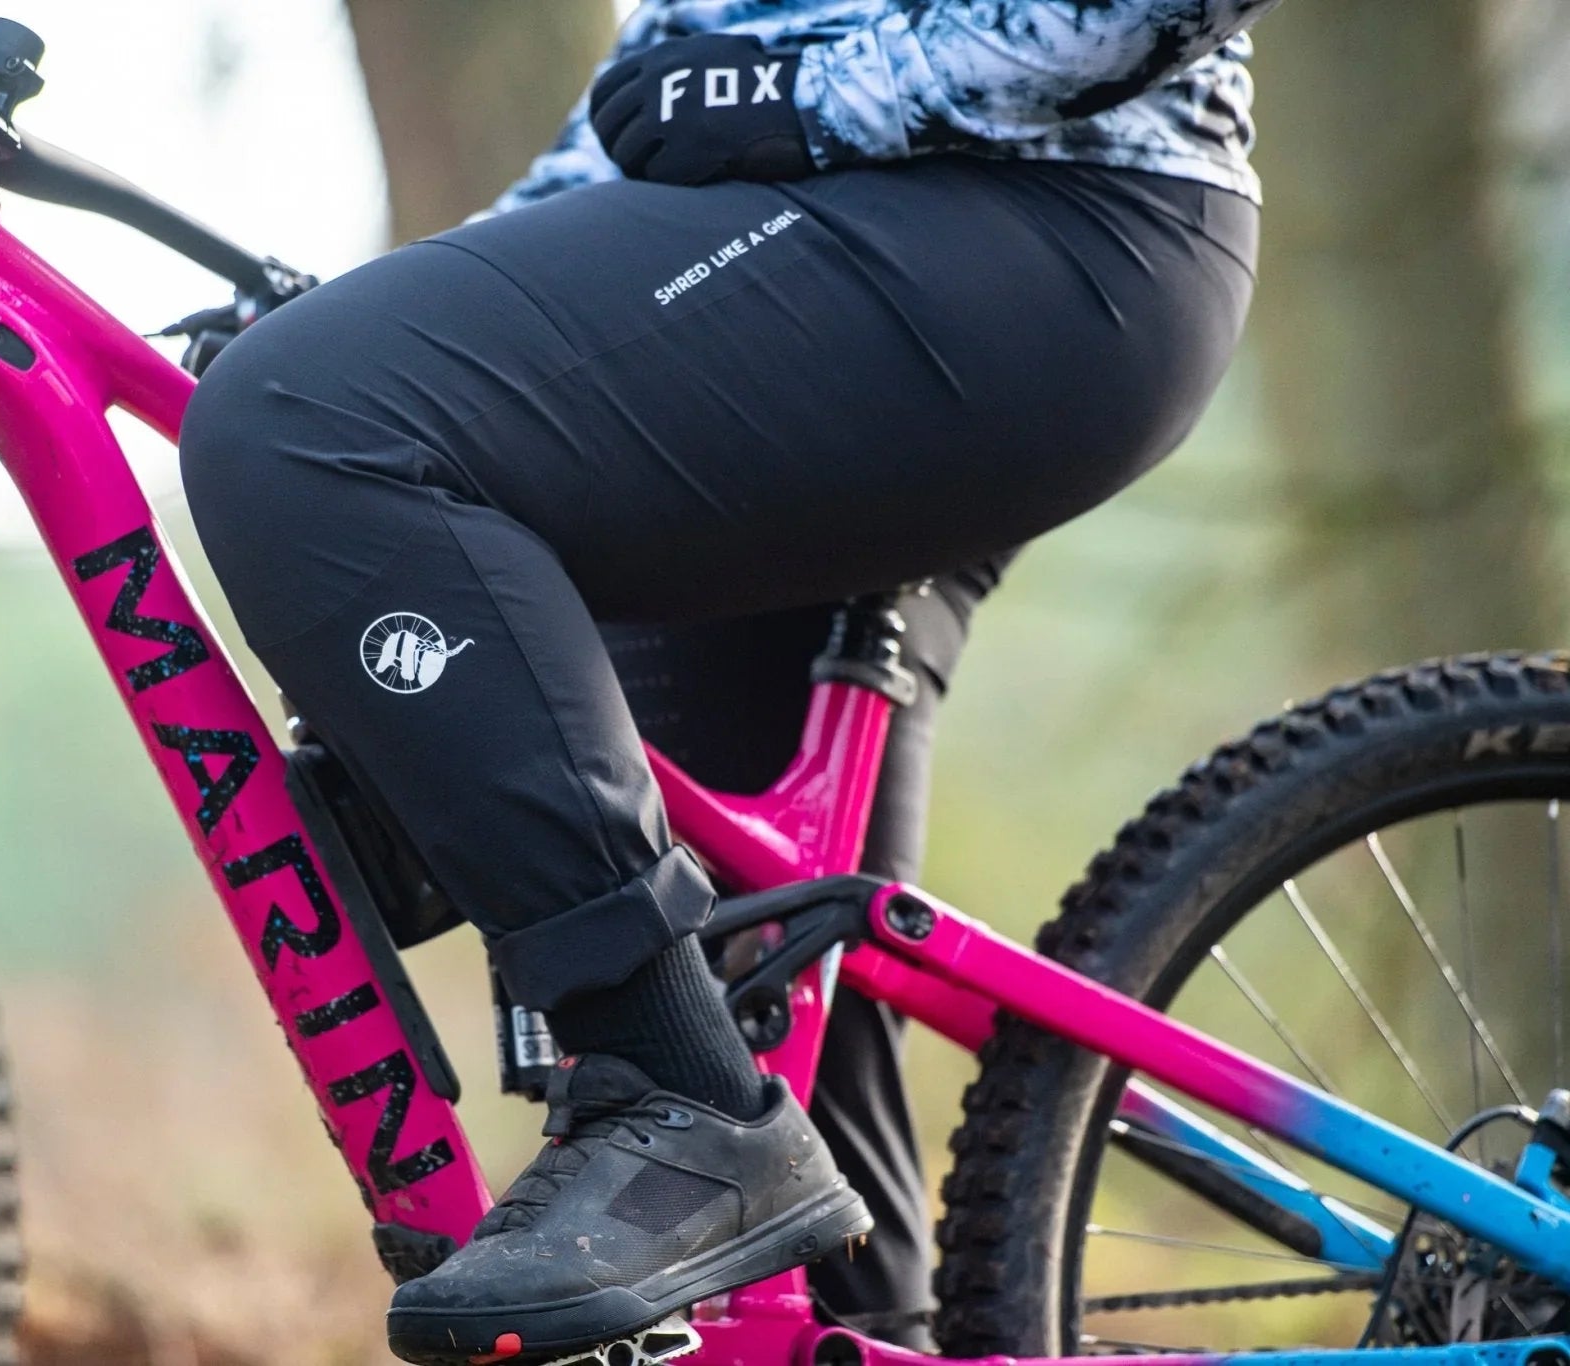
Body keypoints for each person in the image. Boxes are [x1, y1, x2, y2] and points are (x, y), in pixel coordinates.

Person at [180, 2, 1276, 1361]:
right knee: (758, 956)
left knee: (315, 418)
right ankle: (840, 1281)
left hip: (1044, 202)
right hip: (813, 225)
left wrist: (827, 97)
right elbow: (696, 71)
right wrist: (403, 292)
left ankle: (678, 1089)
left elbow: (792, 71)